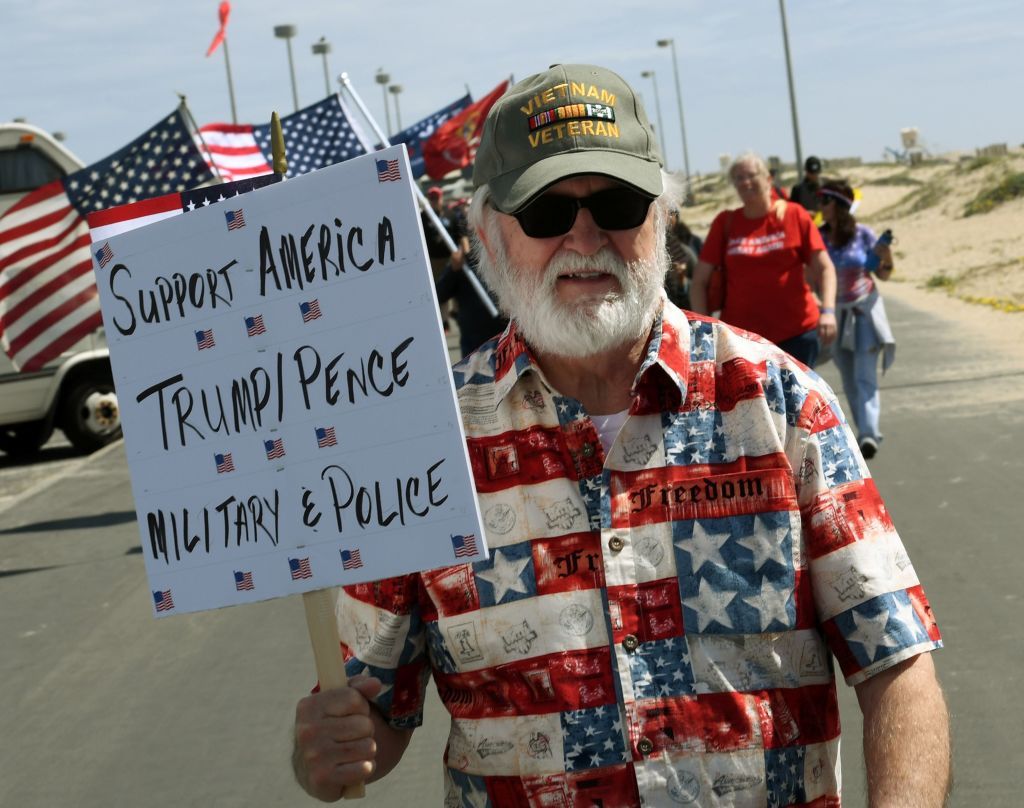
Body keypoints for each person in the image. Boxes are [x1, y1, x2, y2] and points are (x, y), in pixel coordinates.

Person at [292, 64, 950, 807]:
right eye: (544, 210)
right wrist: (335, 747)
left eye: (617, 202)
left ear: (661, 219)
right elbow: (371, 706)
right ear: (485, 232)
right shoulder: (421, 442)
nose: (585, 235)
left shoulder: (783, 403)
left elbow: (896, 663)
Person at [691, 152, 838, 367]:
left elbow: (825, 267)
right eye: (739, 178)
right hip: (743, 340)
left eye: (751, 175)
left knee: (799, 400)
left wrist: (828, 311)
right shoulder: (726, 223)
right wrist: (703, 332)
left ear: (768, 179)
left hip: (797, 333)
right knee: (754, 401)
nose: (745, 182)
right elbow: (699, 282)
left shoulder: (794, 215)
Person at [818, 179, 896, 459]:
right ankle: (864, 429)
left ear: (839, 205)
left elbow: (883, 273)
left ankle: (868, 434)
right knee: (849, 378)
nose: (821, 207)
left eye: (825, 201)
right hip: (835, 314)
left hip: (864, 311)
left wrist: (885, 256)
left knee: (865, 374)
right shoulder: (819, 236)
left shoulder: (863, 234)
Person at [422, 186, 471, 330]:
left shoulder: (450, 214)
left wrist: (465, 251)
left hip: (451, 258)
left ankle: (456, 312)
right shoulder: (424, 216)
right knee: (440, 290)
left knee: (458, 286)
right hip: (434, 259)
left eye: (436, 198)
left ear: (441, 198)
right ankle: (444, 321)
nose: (435, 201)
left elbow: (460, 233)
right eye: (432, 199)